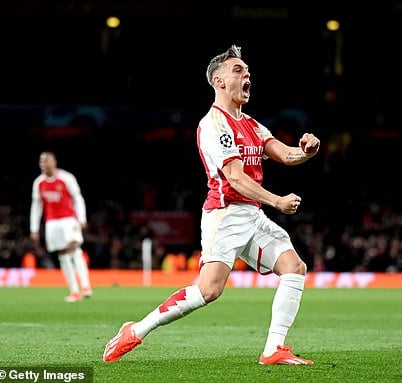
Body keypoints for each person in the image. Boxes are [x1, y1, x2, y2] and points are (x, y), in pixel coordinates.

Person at [103, 45, 320, 365]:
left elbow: (286, 154)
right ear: (218, 81)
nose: (247, 74)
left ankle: (274, 349)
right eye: (238, 70)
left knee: (294, 268)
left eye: (248, 71)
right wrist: (277, 201)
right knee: (209, 291)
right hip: (225, 215)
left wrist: (306, 152)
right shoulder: (214, 125)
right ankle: (135, 330)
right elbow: (234, 177)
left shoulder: (253, 125)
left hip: (252, 214)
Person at [30, 151, 93, 302]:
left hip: (68, 220)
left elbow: (77, 198)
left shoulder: (66, 178)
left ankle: (86, 286)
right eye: (41, 162)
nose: (43, 164)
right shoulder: (39, 182)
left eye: (46, 161)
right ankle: (74, 290)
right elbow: (36, 206)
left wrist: (82, 218)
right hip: (52, 223)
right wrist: (34, 229)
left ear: (54, 162)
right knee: (63, 255)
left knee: (74, 249)